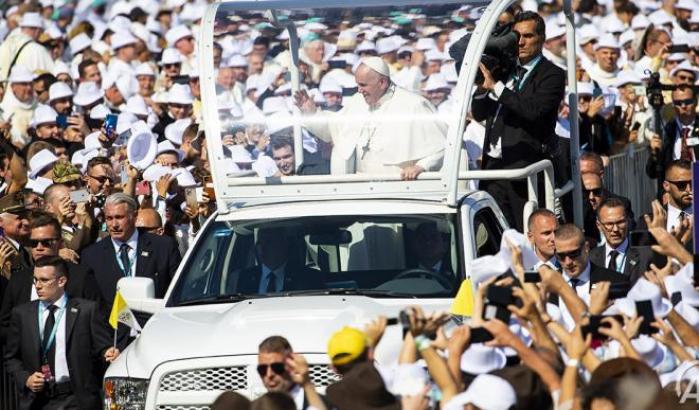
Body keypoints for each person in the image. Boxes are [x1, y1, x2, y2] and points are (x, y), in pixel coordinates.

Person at [471, 11, 566, 231]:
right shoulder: (503, 70)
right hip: (493, 170)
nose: (521, 42)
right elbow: (479, 113)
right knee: (495, 237)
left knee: (526, 236)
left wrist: (496, 87)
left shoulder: (552, 75)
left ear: (541, 38)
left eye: (528, 36)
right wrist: (480, 87)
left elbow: (533, 111)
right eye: (516, 36)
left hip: (525, 172)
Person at [293, 56, 446, 180]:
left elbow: (443, 146)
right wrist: (312, 113)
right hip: (361, 186)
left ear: (382, 83)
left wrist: (421, 167)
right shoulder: (357, 101)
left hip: (399, 186)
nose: (359, 90)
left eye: (363, 85)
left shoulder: (413, 105)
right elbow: (333, 130)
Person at [4, 256, 118, 410]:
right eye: (35, 280)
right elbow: (11, 358)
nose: (37, 286)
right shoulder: (22, 314)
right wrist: (26, 379)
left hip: (76, 398)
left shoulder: (86, 310)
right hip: (38, 400)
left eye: (44, 280)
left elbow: (103, 347)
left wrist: (109, 352)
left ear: (61, 281)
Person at [0, 213, 103, 343]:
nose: (39, 248)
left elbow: (98, 322)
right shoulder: (19, 280)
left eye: (46, 242)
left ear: (60, 243)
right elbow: (5, 326)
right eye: (34, 243)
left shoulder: (81, 276)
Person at [80, 193, 181, 309]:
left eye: (119, 217)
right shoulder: (91, 255)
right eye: (109, 218)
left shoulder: (163, 246)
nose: (114, 225)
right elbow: (92, 305)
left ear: (134, 216)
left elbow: (178, 291)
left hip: (154, 322)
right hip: (112, 325)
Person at [553, 224, 628, 330]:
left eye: (574, 253)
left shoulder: (613, 281)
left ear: (586, 248)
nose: (568, 262)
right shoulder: (548, 287)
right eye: (561, 256)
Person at [235, 227, 323, 294]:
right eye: (259, 243)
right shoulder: (244, 278)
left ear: (283, 245)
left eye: (269, 242)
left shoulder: (308, 278)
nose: (263, 248)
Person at [589, 198, 654, 284]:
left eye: (620, 222)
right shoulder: (590, 259)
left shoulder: (645, 256)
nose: (615, 229)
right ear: (599, 225)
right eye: (609, 224)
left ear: (627, 221)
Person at [646, 86, 699, 186]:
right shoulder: (665, 131)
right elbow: (652, 173)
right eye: (678, 103)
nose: (683, 106)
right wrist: (654, 154)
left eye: (687, 102)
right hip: (674, 191)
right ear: (673, 105)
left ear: (695, 102)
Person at [256, 336, 327, 410]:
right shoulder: (254, 407)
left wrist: (307, 383)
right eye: (262, 369)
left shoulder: (324, 404)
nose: (269, 375)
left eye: (277, 367)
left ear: (292, 364)